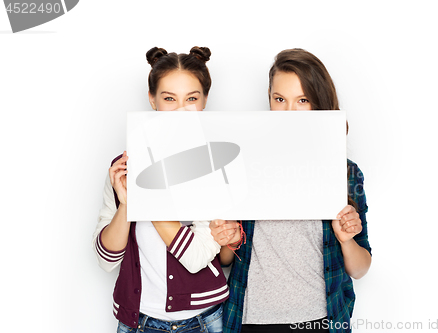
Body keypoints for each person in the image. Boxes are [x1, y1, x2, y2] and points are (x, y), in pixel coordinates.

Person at [210, 48, 372, 333]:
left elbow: (360, 269)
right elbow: (224, 260)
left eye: (303, 100)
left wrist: (346, 240)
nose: (289, 111)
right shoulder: (244, 164)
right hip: (252, 319)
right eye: (280, 99)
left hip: (320, 320)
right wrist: (230, 239)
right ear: (269, 98)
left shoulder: (345, 173)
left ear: (318, 103)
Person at [92, 46, 240, 333]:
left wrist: (145, 196)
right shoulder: (123, 167)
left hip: (204, 321)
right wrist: (127, 204)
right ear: (152, 99)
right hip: (137, 321)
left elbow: (197, 258)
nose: (181, 109)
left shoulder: (219, 164)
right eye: (169, 98)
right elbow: (106, 259)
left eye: (192, 98)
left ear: (205, 101)